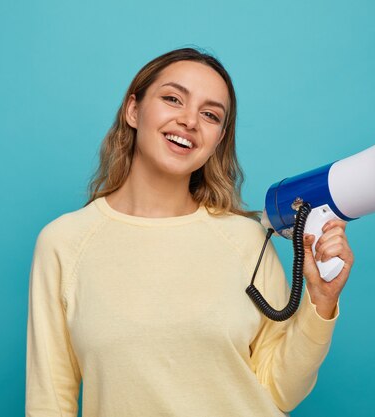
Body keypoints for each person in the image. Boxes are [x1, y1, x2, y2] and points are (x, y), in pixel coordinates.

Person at [25, 47, 354, 417]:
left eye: (210, 114)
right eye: (172, 99)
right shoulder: (64, 243)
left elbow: (279, 390)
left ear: (218, 138)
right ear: (133, 110)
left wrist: (322, 299)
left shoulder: (245, 241)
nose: (189, 121)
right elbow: (49, 401)